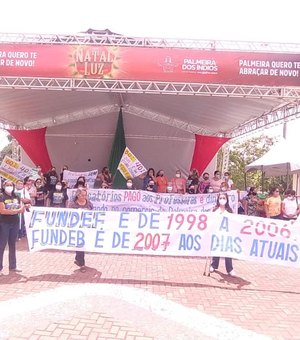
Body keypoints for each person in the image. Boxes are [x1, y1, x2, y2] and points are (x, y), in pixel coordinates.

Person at [0, 180, 25, 275]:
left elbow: (20, 207)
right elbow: (2, 211)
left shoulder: (16, 196)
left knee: (12, 245)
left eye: (11, 185)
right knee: (1, 245)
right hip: (4, 223)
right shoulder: (1, 196)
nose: (9, 186)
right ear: (3, 186)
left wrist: (23, 208)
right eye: (7, 185)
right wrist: (17, 210)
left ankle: (13, 266)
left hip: (14, 223)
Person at [210, 192, 235, 276]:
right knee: (216, 249)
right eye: (220, 198)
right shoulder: (214, 210)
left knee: (227, 251)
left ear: (227, 200)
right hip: (217, 233)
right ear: (218, 199)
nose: (222, 200)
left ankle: (230, 269)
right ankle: (213, 265)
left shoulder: (229, 211)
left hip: (226, 234)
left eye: (224, 198)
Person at [68, 188, 93, 273]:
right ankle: (82, 264)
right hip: (76, 228)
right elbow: (69, 214)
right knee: (80, 245)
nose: (84, 197)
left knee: (82, 245)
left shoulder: (89, 204)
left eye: (85, 195)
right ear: (78, 195)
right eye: (82, 195)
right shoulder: (73, 204)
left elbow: (93, 213)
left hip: (85, 228)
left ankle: (78, 259)